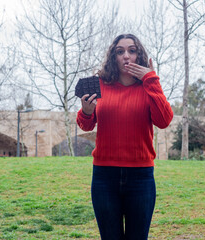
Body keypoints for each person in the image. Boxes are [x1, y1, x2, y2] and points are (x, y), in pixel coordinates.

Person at [76, 34, 173, 240]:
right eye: (120, 51)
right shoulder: (99, 84)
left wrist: (151, 78)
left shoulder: (149, 87)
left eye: (132, 50)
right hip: (104, 177)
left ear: (139, 56)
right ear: (113, 56)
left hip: (141, 177)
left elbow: (164, 120)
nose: (126, 56)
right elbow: (86, 125)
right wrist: (85, 111)